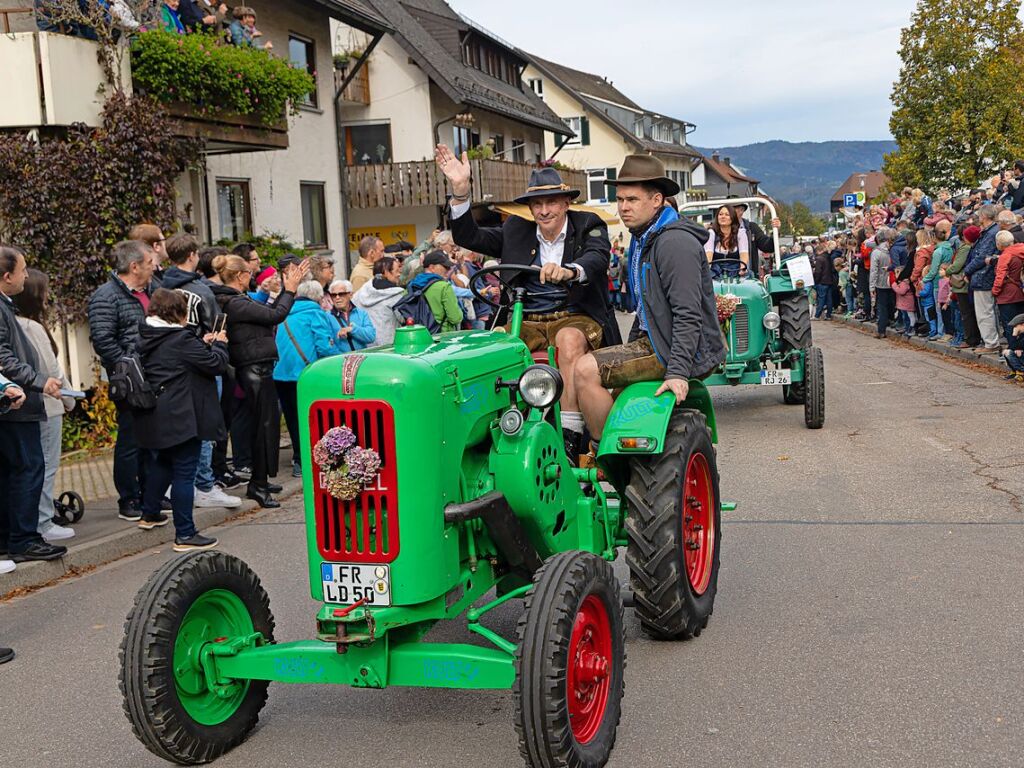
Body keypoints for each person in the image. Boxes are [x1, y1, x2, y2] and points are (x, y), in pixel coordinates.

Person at [438, 144, 620, 458]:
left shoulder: (588, 225)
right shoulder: (516, 230)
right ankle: (499, 428)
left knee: (568, 340)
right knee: (493, 344)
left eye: (551, 202)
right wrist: (460, 192)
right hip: (529, 317)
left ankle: (571, 436)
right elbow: (470, 238)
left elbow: (596, 258)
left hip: (575, 314)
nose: (544, 210)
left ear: (566, 203)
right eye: (537, 204)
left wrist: (569, 271)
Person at [574, 156, 726, 446]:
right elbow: (646, 311)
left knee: (584, 370)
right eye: (619, 199)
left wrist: (679, 372)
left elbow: (688, 313)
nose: (623, 207)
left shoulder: (673, 243)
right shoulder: (643, 238)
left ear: (657, 200)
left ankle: (605, 454)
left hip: (675, 350)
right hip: (656, 341)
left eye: (632, 199)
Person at [211, 254, 308, 508]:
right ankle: (258, 484)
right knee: (262, 428)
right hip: (253, 368)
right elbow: (275, 315)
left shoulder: (236, 300)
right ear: (240, 276)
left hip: (258, 366)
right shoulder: (233, 302)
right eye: (248, 274)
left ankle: (262, 479)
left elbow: (269, 312)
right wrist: (290, 289)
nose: (251, 278)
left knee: (266, 427)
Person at [135, 289, 228, 551]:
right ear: (177, 313)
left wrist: (202, 343)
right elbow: (215, 365)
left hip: (155, 412)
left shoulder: (145, 334)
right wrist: (220, 343)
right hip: (182, 414)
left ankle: (150, 513)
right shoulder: (179, 338)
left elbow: (180, 359)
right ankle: (185, 533)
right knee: (184, 472)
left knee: (164, 462)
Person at [162, 234, 240, 510]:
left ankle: (178, 483)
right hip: (201, 359)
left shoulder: (159, 286)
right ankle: (204, 484)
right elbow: (215, 326)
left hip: (170, 364)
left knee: (179, 428)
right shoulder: (202, 290)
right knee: (206, 425)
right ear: (193, 255)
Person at [0, 246, 66, 563]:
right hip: (16, 406)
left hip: (17, 403)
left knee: (18, 470)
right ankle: (24, 539)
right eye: (23, 269)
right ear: (6, 276)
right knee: (27, 469)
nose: (26, 275)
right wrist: (39, 381)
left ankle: (13, 538)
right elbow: (4, 358)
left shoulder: (5, 307)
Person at [87, 240, 156, 521]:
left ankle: (151, 493)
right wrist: (129, 367)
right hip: (128, 380)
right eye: (150, 263)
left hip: (154, 374)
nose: (154, 267)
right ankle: (129, 498)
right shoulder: (105, 296)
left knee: (153, 436)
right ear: (134, 266)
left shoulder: (152, 290)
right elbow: (103, 340)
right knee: (131, 439)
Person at [13, 269, 77, 542]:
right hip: (47, 405)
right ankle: (42, 521)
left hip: (25, 404)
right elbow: (53, 372)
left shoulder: (12, 323)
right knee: (46, 464)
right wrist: (69, 399)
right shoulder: (33, 328)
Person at [274, 280, 343, 477]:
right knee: (314, 417)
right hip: (306, 374)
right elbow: (324, 346)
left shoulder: (284, 313)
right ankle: (316, 458)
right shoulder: (316, 313)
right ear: (318, 297)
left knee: (293, 419)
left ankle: (299, 460)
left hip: (281, 374)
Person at [964, 204, 1002, 353]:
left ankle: (991, 344)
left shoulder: (991, 233)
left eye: (980, 215)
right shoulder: (989, 232)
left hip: (984, 277)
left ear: (984, 216)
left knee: (985, 312)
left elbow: (981, 257)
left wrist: (967, 271)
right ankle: (991, 342)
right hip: (984, 276)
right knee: (988, 311)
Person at [944, 224, 982, 349]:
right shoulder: (969, 247)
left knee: (966, 313)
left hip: (962, 285)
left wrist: (947, 271)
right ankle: (972, 337)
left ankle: (970, 338)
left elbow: (957, 265)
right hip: (965, 284)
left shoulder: (965, 248)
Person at [353, 258, 405, 346]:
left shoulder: (360, 293)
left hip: (365, 346)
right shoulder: (396, 296)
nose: (399, 274)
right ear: (386, 272)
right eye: (396, 271)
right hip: (389, 347)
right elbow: (404, 318)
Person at [991, 230, 1024, 358]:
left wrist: (995, 291)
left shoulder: (1006, 255)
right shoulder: (1021, 250)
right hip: (1020, 291)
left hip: (1007, 295)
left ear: (999, 244)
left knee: (1010, 325)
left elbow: (1000, 276)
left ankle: (1013, 353)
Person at [704, 205, 749, 278]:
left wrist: (742, 269)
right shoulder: (711, 233)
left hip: (736, 270)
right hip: (716, 271)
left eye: (727, 215)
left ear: (732, 217)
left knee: (747, 278)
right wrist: (707, 272)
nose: (723, 217)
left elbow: (744, 254)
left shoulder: (740, 233)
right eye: (720, 214)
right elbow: (708, 256)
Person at [870, 228, 895, 338]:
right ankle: (892, 322)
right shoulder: (893, 249)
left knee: (882, 307)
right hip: (894, 281)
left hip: (881, 282)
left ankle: (881, 330)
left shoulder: (876, 252)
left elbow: (874, 271)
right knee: (892, 304)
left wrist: (872, 286)